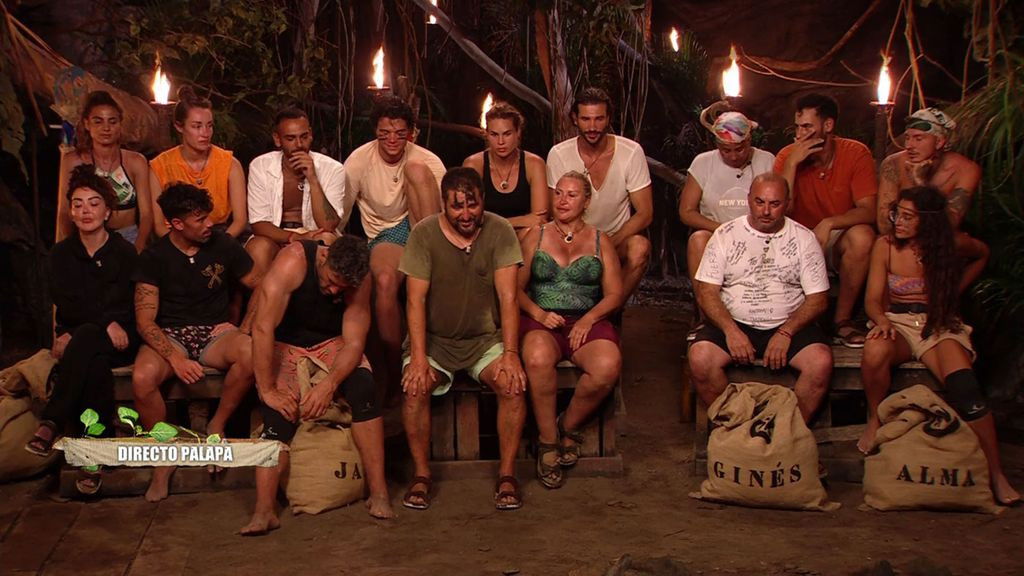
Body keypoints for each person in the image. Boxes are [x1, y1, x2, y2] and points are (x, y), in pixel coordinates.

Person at [857, 186, 1019, 506]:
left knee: (966, 389)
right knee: (875, 350)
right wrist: (881, 320)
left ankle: (996, 474)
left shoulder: (950, 245)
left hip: (939, 325)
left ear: (928, 221)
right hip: (899, 322)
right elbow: (872, 299)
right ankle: (875, 418)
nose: (898, 221)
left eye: (908, 217)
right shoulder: (885, 246)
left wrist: (954, 291)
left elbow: (983, 253)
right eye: (897, 214)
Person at [240, 235, 393, 535]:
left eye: (342, 288)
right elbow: (262, 327)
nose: (334, 291)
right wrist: (268, 389)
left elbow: (354, 342)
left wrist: (329, 384)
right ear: (323, 258)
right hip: (285, 344)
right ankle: (264, 511)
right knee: (279, 413)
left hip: (332, 343)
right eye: (332, 281)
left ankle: (379, 493)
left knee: (364, 389)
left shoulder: (359, 278)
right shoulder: (292, 262)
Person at [399, 167, 527, 511]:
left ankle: (507, 474)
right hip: (435, 340)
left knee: (512, 384)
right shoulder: (424, 234)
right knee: (414, 388)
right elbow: (415, 300)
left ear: (483, 201)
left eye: (473, 205)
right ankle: (421, 474)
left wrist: (511, 353)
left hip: (485, 339)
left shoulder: (499, 230)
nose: (466, 214)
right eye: (457, 206)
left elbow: (509, 298)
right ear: (444, 204)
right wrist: (419, 358)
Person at [132, 184, 261, 502]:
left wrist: (244, 328)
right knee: (142, 377)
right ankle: (164, 454)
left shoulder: (223, 244)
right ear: (177, 224)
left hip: (216, 332)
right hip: (171, 334)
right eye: (200, 219)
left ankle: (216, 425)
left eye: (208, 217)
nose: (209, 224)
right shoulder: (154, 257)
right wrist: (175, 359)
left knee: (251, 353)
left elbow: (262, 286)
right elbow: (145, 322)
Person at [25, 165, 138, 494]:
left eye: (93, 203)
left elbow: (127, 304)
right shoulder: (61, 254)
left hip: (121, 339)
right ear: (71, 212)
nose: (85, 210)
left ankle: (52, 420)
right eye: (78, 204)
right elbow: (67, 303)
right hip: (83, 341)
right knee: (94, 362)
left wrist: (104, 324)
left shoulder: (124, 252)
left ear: (107, 211)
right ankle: (94, 456)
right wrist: (102, 322)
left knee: (87, 338)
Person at [688, 173, 833, 424]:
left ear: (787, 204)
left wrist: (786, 332)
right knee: (700, 358)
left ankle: (785, 432)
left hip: (789, 324)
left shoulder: (804, 238)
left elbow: (818, 299)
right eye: (759, 202)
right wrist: (731, 331)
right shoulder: (725, 235)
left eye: (774, 204)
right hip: (734, 322)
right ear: (748, 200)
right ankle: (736, 429)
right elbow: (706, 292)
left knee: (820, 362)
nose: (766, 211)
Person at [519, 171, 623, 489]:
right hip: (541, 319)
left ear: (586, 201)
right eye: (559, 193)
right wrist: (539, 313)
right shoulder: (535, 235)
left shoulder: (600, 239)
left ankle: (568, 424)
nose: (563, 200)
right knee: (537, 358)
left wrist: (590, 319)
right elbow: (513, 290)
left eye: (572, 195)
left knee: (607, 366)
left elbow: (615, 294)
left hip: (586, 318)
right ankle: (548, 441)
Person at [343, 95, 445, 397]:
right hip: (385, 235)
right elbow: (340, 214)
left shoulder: (426, 160)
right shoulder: (359, 160)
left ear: (410, 133)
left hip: (425, 229)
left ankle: (432, 259)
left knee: (415, 169)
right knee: (385, 280)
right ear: (375, 131)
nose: (392, 140)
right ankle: (391, 367)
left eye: (400, 134)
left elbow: (444, 213)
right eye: (385, 133)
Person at [774, 93, 876, 348]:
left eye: (807, 127)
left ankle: (842, 320)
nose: (800, 134)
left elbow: (869, 211)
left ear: (828, 125)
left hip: (834, 235)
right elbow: (777, 211)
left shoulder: (855, 153)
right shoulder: (787, 156)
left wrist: (829, 223)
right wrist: (792, 165)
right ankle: (796, 322)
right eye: (797, 127)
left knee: (862, 236)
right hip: (794, 236)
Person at [546, 87, 653, 300]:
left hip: (616, 239)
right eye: (585, 119)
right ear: (575, 119)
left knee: (639, 247)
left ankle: (611, 310)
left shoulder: (631, 152)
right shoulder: (559, 154)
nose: (592, 127)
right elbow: (555, 210)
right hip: (572, 241)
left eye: (599, 119)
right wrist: (582, 245)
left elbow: (645, 213)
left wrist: (607, 245)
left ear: (608, 118)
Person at [679, 110, 775, 309]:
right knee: (698, 240)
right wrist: (724, 229)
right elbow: (686, 212)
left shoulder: (767, 161)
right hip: (716, 235)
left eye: (739, 149)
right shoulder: (703, 162)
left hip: (759, 235)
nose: (733, 156)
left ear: (749, 141)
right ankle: (706, 313)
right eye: (726, 150)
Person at [877, 108, 989, 265]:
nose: (909, 145)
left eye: (918, 139)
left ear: (939, 142)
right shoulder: (893, 164)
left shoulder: (966, 170)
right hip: (899, 236)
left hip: (939, 240)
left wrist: (919, 182)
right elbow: (884, 223)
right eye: (907, 138)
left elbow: (948, 226)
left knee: (963, 245)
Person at [246, 107, 345, 275]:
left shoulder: (333, 169)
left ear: (310, 134)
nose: (299, 145)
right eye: (291, 138)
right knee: (258, 248)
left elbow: (328, 225)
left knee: (326, 239)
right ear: (277, 139)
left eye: (304, 137)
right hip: (275, 236)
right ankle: (266, 292)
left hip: (314, 235)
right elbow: (258, 224)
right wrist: (293, 237)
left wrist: (313, 179)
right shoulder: (260, 166)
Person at [56, 90, 153, 251]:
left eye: (112, 122)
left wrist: (138, 248)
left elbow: (146, 215)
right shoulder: (73, 161)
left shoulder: (136, 162)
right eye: (98, 122)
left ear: (120, 124)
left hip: (128, 239)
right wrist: (70, 249)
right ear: (87, 124)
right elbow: (65, 212)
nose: (106, 128)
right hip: (86, 240)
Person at [150, 86, 248, 239]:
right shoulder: (160, 166)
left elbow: (240, 221)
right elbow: (159, 226)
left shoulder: (229, 164)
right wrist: (181, 246)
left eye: (209, 126)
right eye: (197, 126)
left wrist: (221, 245)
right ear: (179, 126)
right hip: (177, 239)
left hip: (221, 235)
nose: (205, 133)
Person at [463, 102, 548, 238]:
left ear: (518, 132)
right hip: (484, 237)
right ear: (486, 134)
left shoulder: (534, 164)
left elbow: (539, 220)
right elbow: (469, 217)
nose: (501, 142)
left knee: (536, 234)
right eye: (494, 134)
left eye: (507, 134)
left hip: (524, 237)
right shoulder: (473, 165)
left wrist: (494, 223)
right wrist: (520, 221)